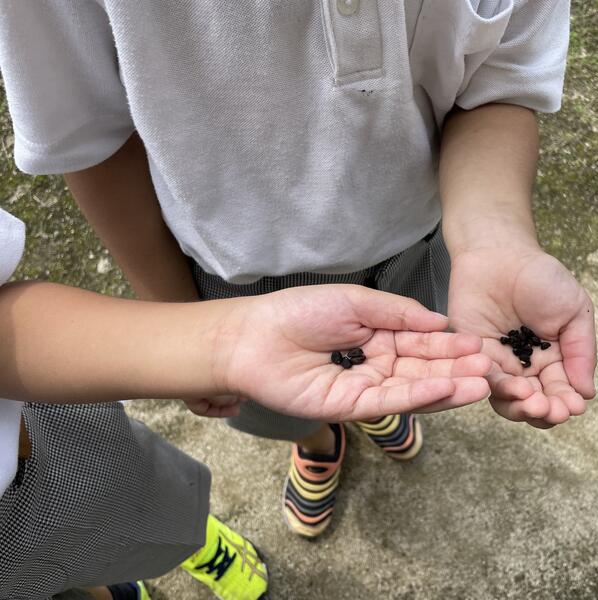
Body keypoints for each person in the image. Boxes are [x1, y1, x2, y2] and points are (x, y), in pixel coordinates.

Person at [0, 0, 597, 539]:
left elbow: (498, 77)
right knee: (280, 404)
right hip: (236, 283)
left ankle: (374, 409)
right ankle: (316, 438)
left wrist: (494, 237)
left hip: (423, 238)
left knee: (408, 360)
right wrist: (178, 316)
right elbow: (85, 137)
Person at [0, 206, 491, 599]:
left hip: (34, 446)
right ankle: (319, 438)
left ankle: (364, 414)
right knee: (283, 404)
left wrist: (211, 343)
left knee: (376, 369)